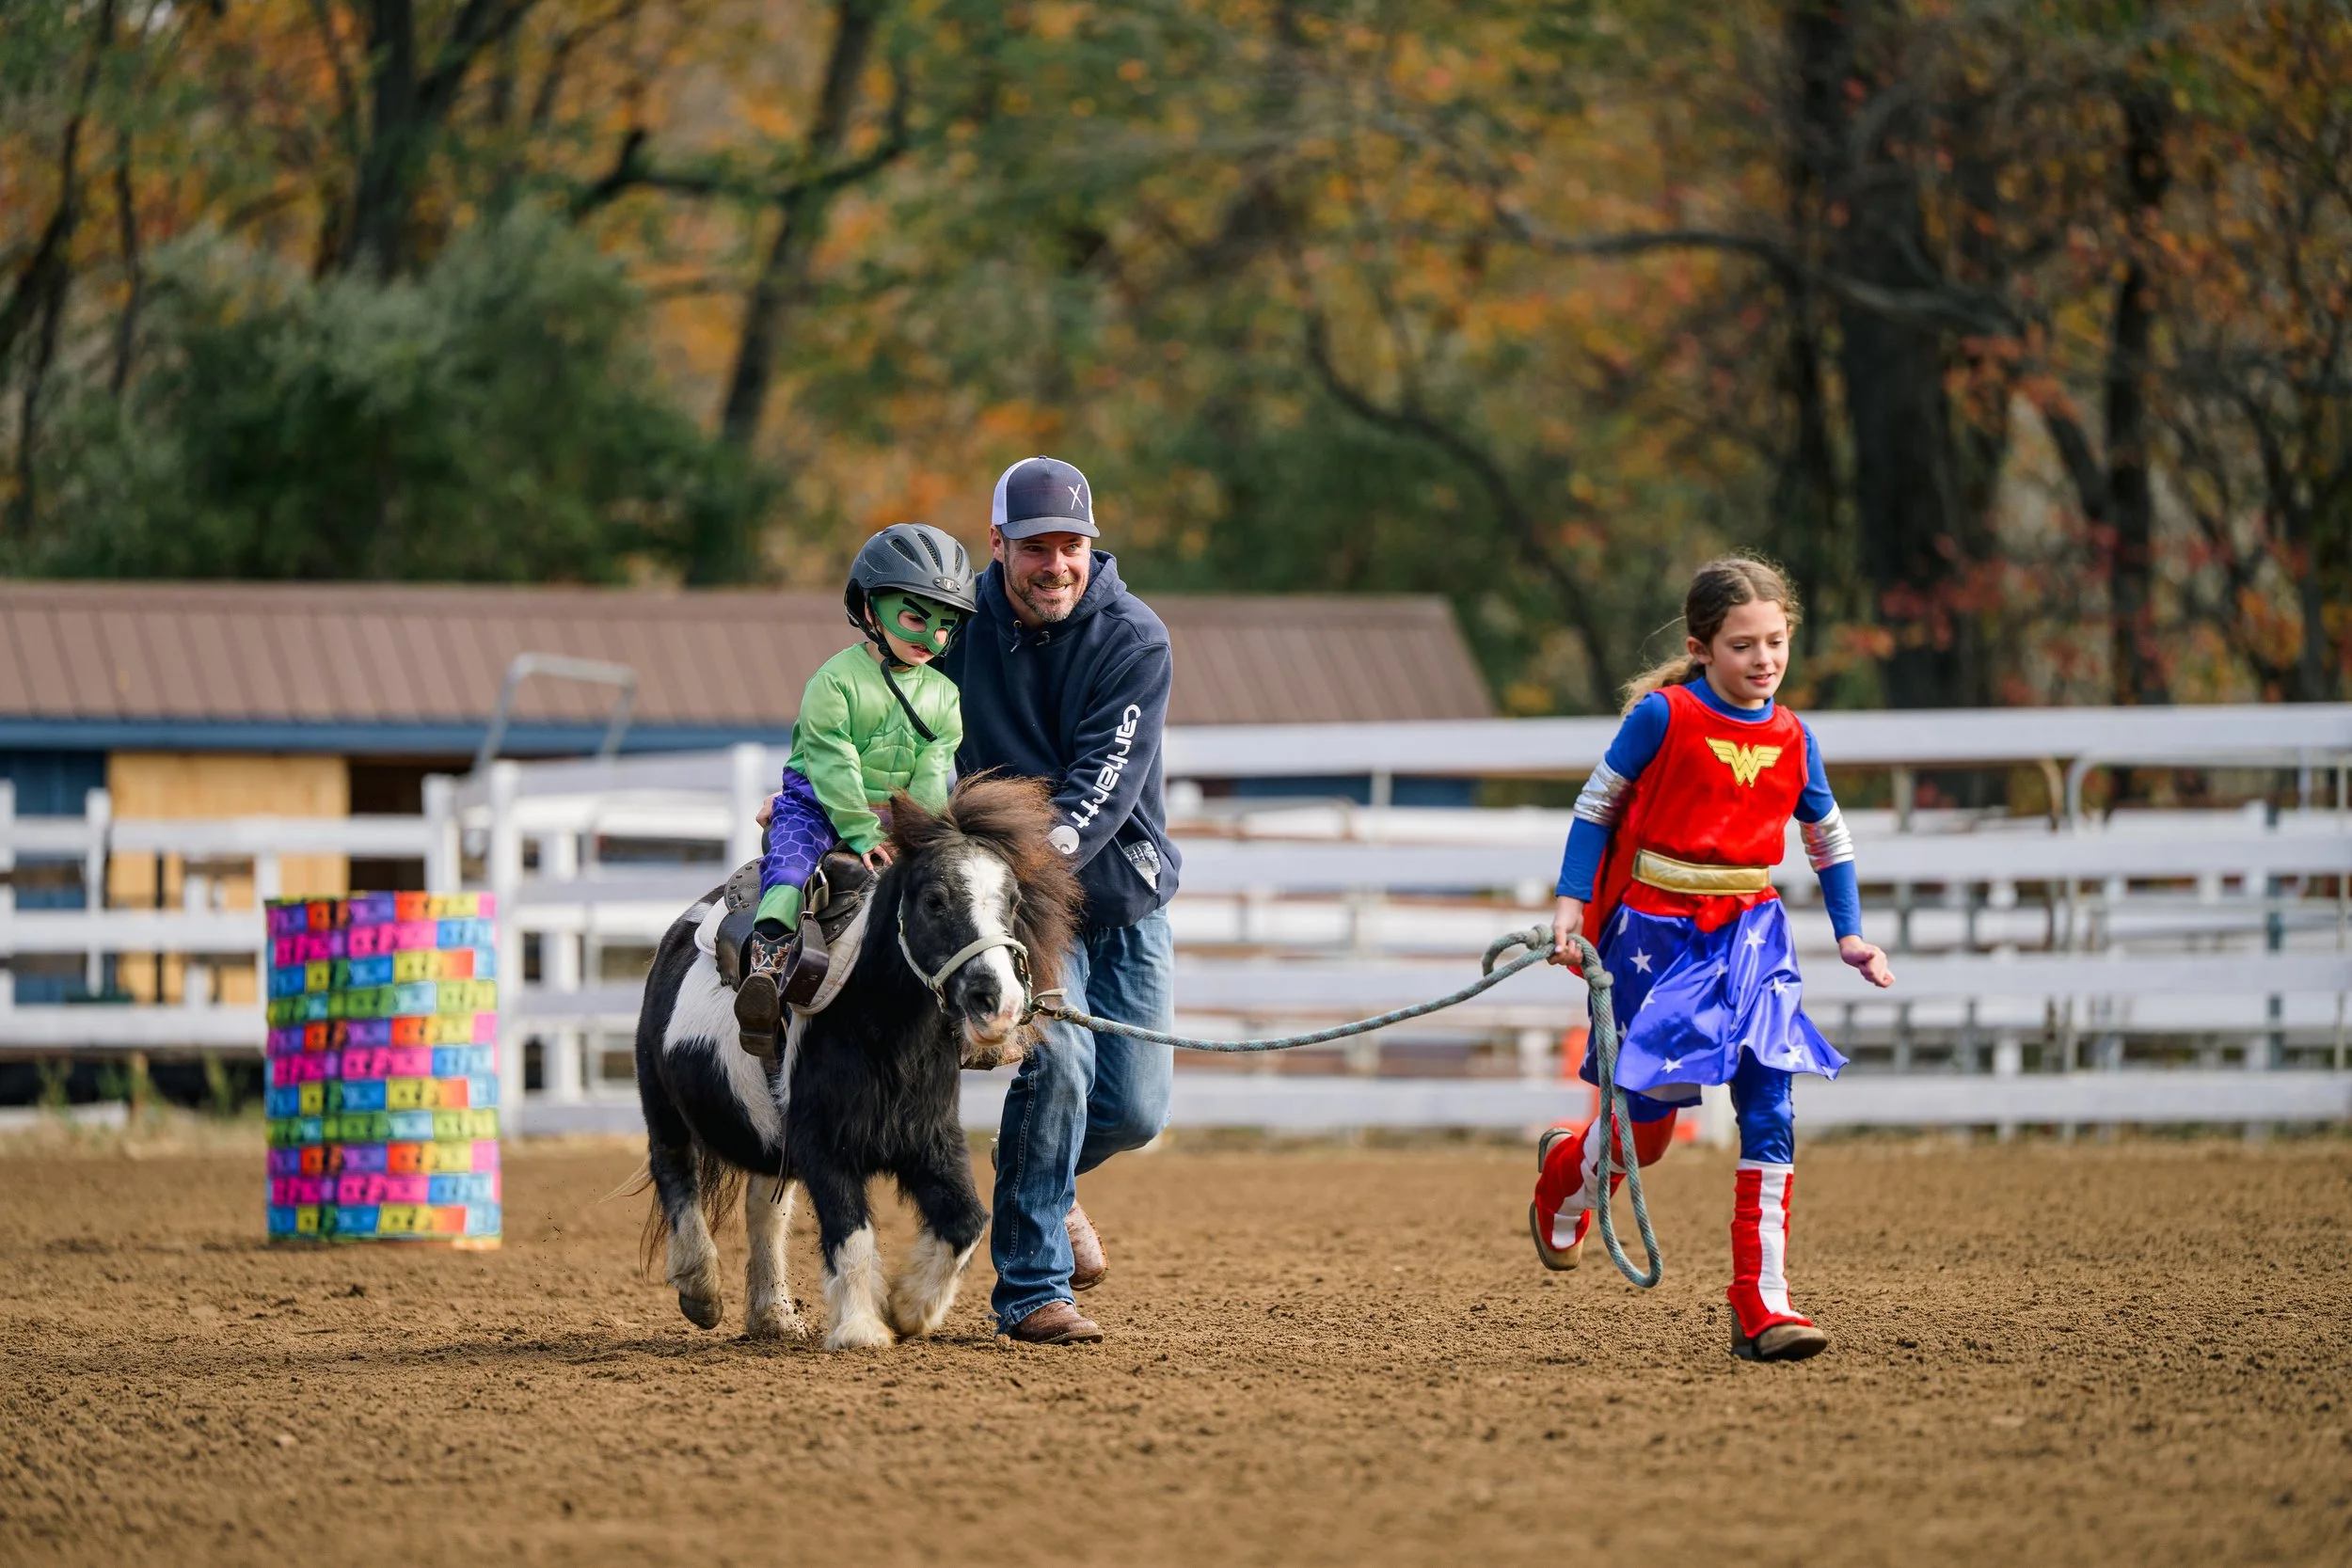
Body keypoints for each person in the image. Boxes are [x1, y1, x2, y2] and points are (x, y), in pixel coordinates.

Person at [1528, 555, 1895, 1363]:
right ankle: (1565, 1180)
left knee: (1770, 1105)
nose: (1764, 659)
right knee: (1648, 1131)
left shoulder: (1795, 736)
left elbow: (1827, 837)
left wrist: (1850, 932)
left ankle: (1763, 1300)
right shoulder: (1663, 717)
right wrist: (1569, 904)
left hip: (1753, 935)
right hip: (1658, 936)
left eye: (1776, 642)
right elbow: (1597, 806)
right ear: (1700, 648)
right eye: (1742, 644)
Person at [940, 454, 1181, 1346]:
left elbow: (1103, 787)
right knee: (1062, 1067)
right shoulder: (955, 626)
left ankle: (1037, 1171)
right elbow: (888, 714)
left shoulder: (1134, 639)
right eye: (1036, 547)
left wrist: (1030, 859)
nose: (1056, 566)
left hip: (1120, 895)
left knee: (1135, 1110)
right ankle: (1032, 1292)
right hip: (1020, 907)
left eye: (1071, 546)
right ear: (998, 544)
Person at [734, 524, 976, 1056]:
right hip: (817, 804)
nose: (932, 638)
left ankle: (969, 1002)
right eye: (915, 619)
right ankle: (765, 976)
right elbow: (832, 762)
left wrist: (921, 833)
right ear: (870, 609)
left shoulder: (944, 695)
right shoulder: (834, 681)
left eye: (945, 626)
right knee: (789, 871)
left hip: (898, 815)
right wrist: (863, 834)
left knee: (962, 890)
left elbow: (934, 769)